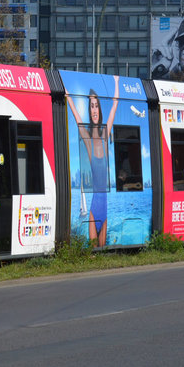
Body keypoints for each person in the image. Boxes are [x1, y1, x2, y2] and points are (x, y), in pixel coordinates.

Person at [68, 86, 119, 247]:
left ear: (99, 109)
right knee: (93, 251)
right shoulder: (89, 142)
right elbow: (77, 119)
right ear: (90, 112)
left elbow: (114, 106)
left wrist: (116, 82)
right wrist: (68, 97)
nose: (94, 109)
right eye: (91, 106)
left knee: (102, 250)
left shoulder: (105, 136)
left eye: (96, 105)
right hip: (94, 207)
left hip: (104, 207)